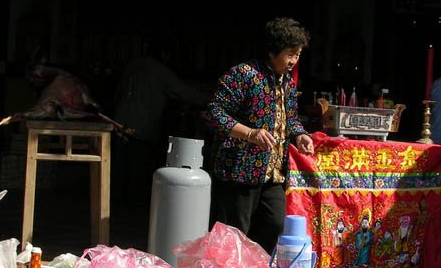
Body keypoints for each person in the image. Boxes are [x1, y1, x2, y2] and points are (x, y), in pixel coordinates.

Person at [203, 17, 316, 254]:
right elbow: (214, 112)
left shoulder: (288, 84)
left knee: (275, 224)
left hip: (272, 173)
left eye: (297, 55)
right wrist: (250, 133)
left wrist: (299, 136)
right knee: (234, 233)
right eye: (289, 54)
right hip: (239, 170)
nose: (293, 61)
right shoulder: (244, 74)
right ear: (272, 51)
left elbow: (291, 119)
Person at [112, 36, 208, 205]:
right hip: (141, 128)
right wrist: (212, 100)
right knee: (137, 169)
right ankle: (132, 207)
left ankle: (114, 203)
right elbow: (184, 93)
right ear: (164, 54)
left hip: (119, 123)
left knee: (118, 168)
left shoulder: (132, 66)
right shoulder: (159, 70)